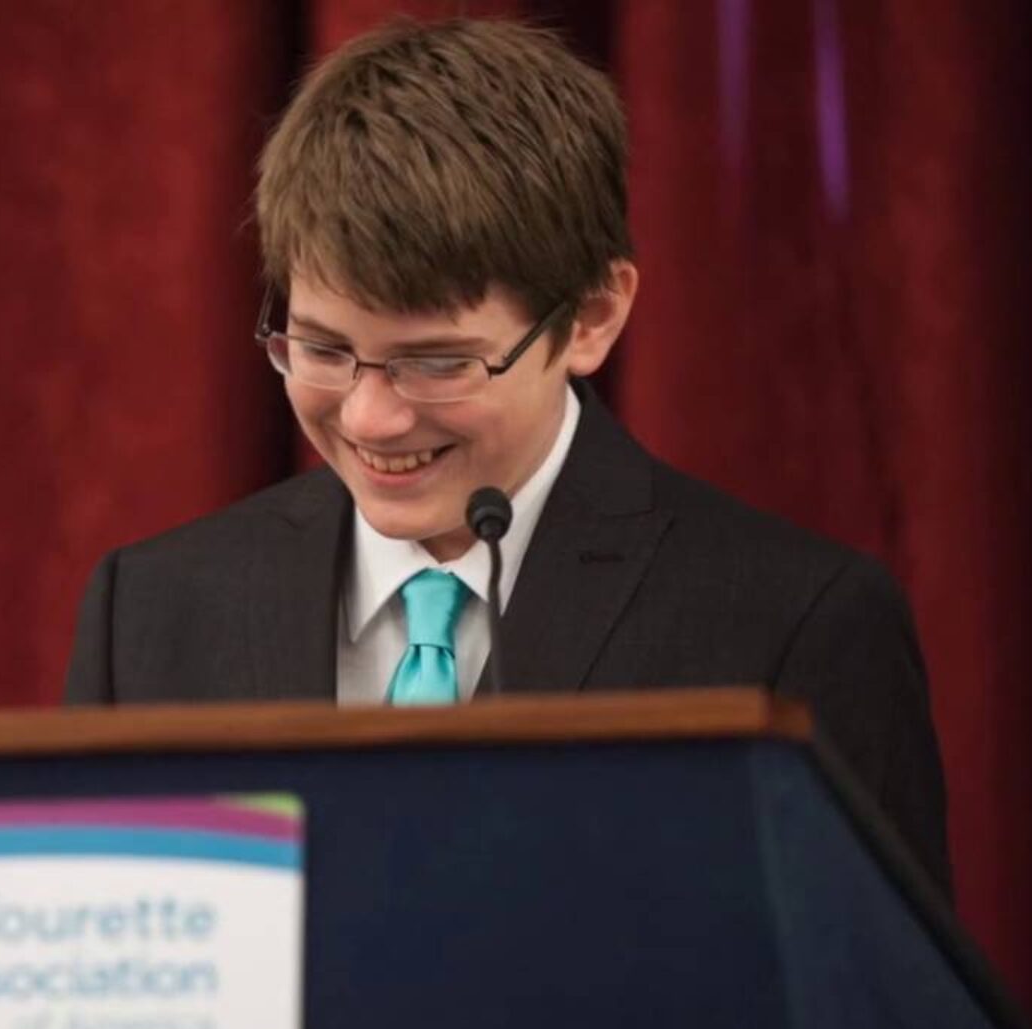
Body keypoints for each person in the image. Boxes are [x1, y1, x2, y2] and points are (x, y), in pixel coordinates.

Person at [63, 19, 948, 892]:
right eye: (324, 350)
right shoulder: (150, 613)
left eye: (438, 363)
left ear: (593, 317)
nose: (371, 419)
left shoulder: (794, 628)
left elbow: (884, 1023)